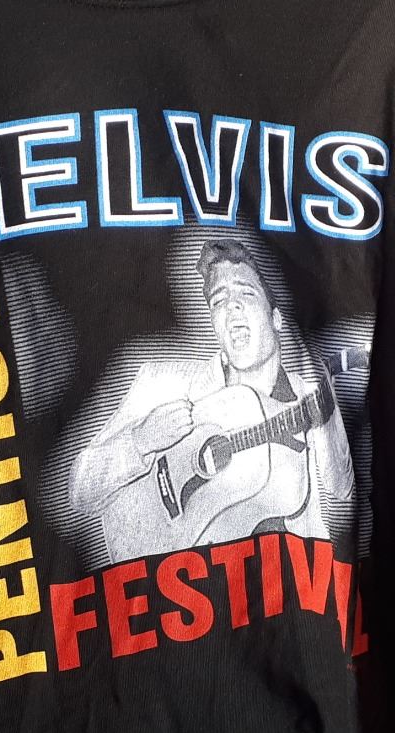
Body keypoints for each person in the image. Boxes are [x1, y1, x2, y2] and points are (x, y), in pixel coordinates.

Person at [70, 239, 354, 560]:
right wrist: (140, 441)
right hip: (153, 582)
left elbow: (343, 491)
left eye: (246, 294)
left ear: (276, 318)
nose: (232, 307)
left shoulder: (309, 400)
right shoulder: (162, 383)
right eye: (219, 301)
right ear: (214, 324)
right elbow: (80, 488)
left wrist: (327, 406)